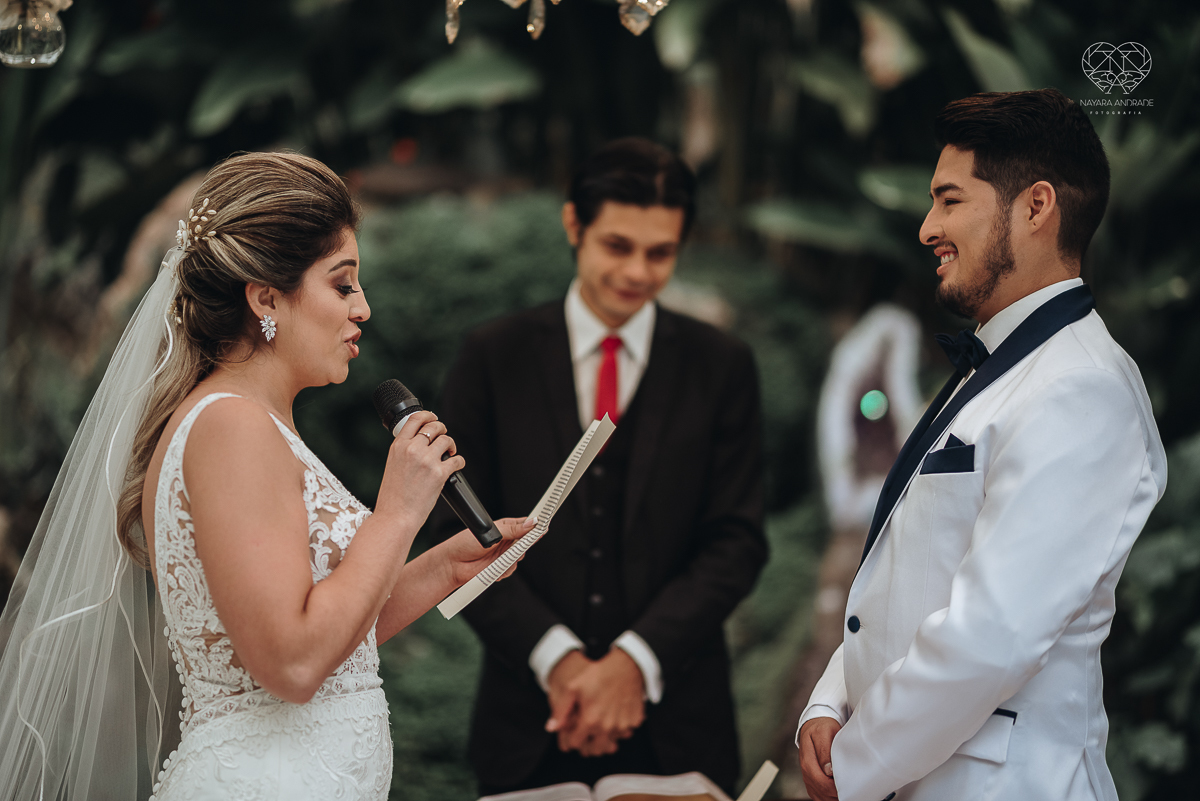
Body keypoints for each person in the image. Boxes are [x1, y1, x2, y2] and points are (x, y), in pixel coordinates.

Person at [0, 152, 534, 801]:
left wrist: (446, 566)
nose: (363, 307)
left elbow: (332, 639)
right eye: (342, 284)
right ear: (265, 298)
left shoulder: (253, 423)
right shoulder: (231, 428)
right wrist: (397, 511)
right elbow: (292, 661)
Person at [796, 89, 1167, 801]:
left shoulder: (1080, 386)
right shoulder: (995, 366)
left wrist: (858, 760)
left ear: (1035, 207)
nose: (927, 226)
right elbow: (909, 577)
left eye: (949, 200)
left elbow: (992, 632)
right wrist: (829, 701)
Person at [432, 137, 768, 796]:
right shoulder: (492, 357)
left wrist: (632, 663)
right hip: (528, 726)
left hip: (681, 731)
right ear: (573, 225)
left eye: (661, 252)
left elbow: (737, 540)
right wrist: (555, 657)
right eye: (619, 245)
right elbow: (452, 533)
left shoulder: (721, 365)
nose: (638, 272)